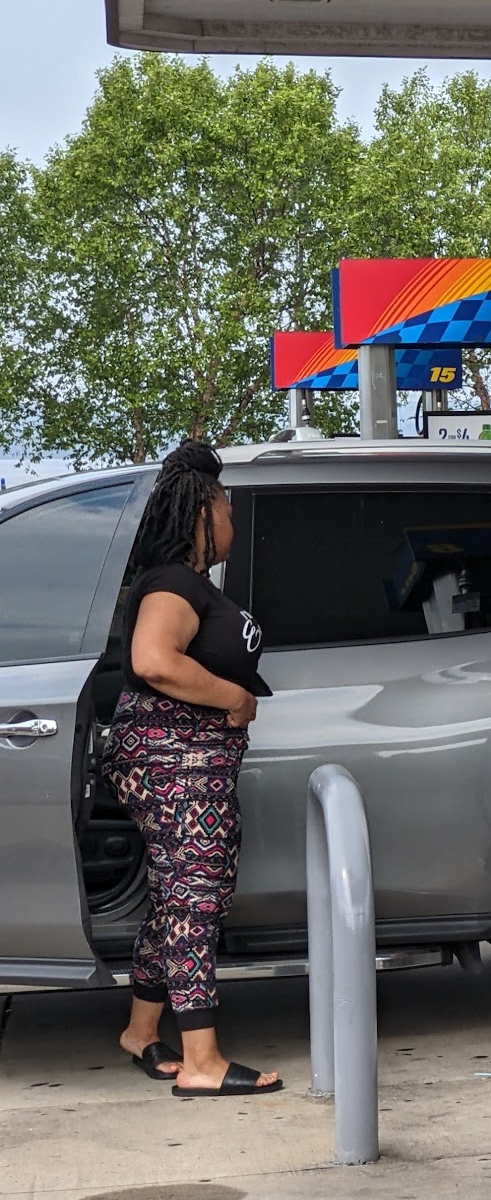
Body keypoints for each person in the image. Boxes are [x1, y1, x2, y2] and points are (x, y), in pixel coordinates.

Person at [107, 438, 281, 1098]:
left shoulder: (183, 584)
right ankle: (202, 1061)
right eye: (227, 507)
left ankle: (140, 1030)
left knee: (176, 892)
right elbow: (153, 660)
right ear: (203, 512)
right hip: (174, 758)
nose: (233, 519)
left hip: (186, 758)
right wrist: (233, 697)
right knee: (194, 897)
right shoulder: (174, 584)